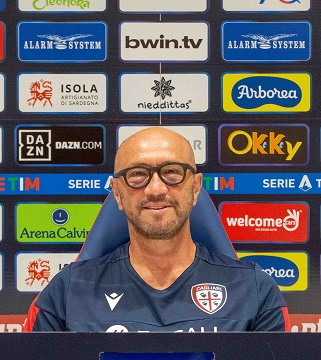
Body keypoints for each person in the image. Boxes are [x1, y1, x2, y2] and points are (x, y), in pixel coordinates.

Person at [23, 127, 289, 332]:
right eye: (137, 174)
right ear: (117, 193)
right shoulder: (67, 292)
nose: (156, 189)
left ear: (196, 188)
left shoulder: (254, 290)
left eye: (172, 172)